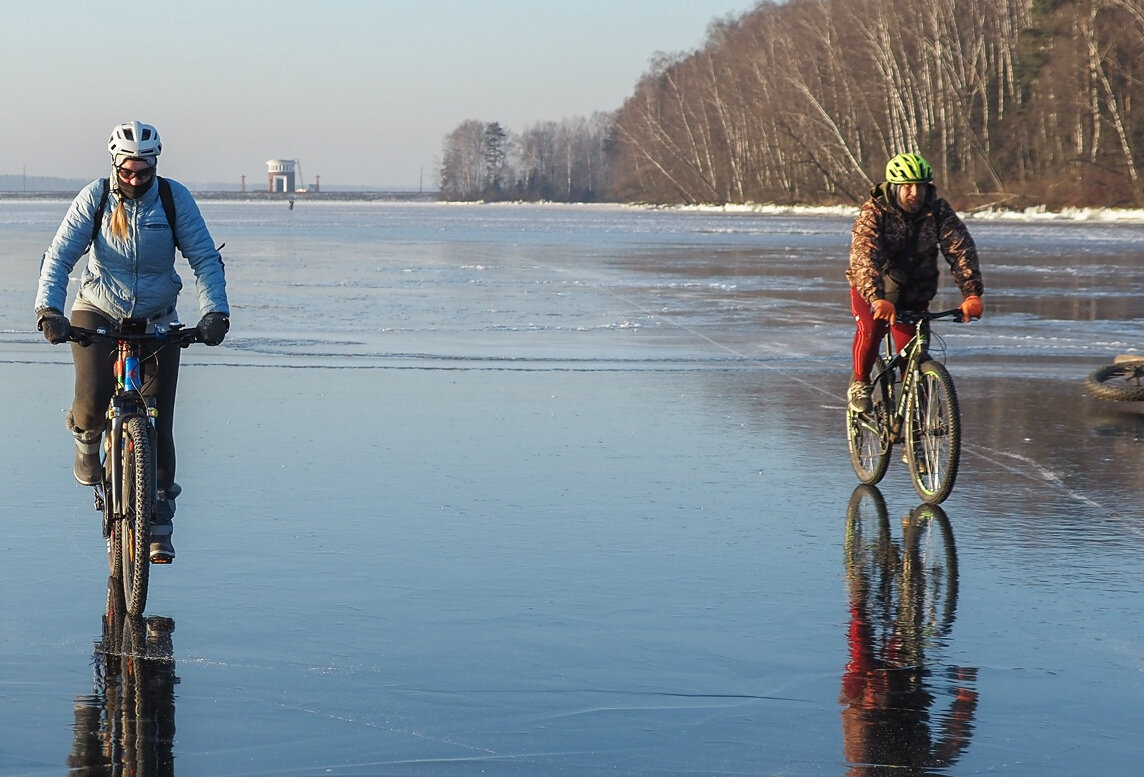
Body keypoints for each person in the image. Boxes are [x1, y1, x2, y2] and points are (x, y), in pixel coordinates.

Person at [35, 120, 230, 562]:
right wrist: (49, 310)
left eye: (144, 171)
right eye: (128, 171)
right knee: (92, 397)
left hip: (157, 318)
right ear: (115, 165)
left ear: (155, 164)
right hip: (99, 309)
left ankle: (158, 520)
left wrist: (215, 312)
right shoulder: (96, 198)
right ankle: (87, 443)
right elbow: (61, 255)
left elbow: (203, 256)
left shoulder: (173, 199)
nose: (136, 179)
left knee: (159, 420)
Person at [846, 152, 984, 413]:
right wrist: (876, 298)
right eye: (907, 186)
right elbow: (864, 257)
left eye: (920, 186)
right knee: (871, 330)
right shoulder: (875, 212)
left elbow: (960, 250)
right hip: (874, 290)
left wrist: (971, 293)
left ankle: (916, 432)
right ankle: (861, 383)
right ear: (895, 188)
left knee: (912, 356)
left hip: (914, 292)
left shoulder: (938, 211)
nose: (914, 193)